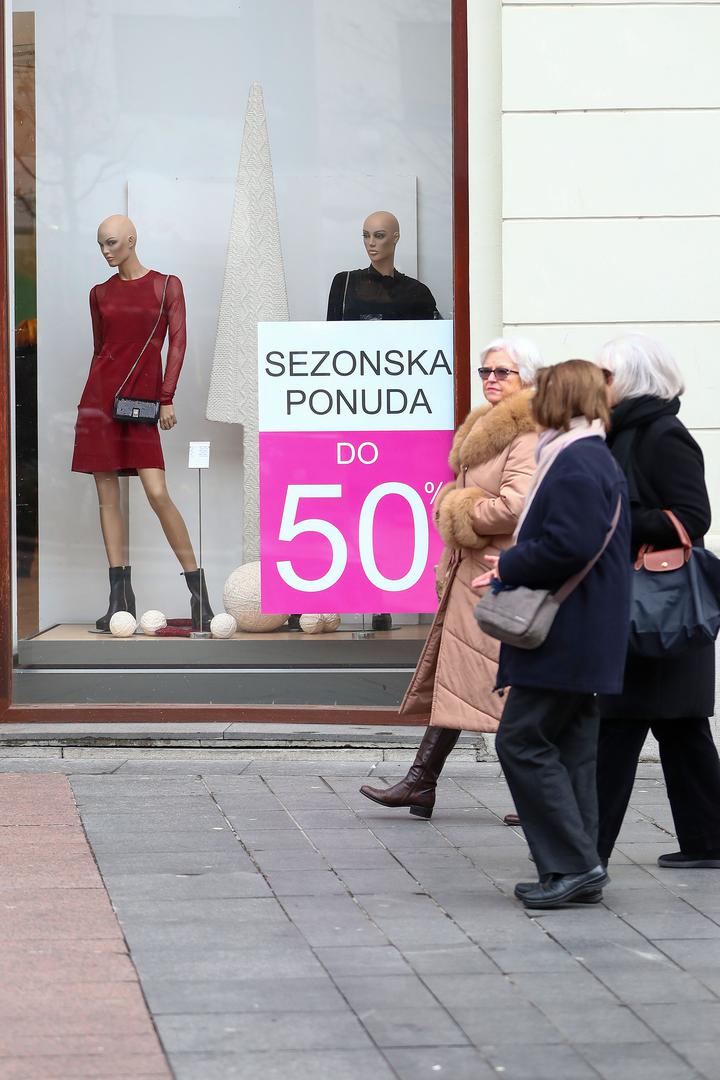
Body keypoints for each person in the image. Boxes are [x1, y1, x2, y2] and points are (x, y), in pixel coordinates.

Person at [359, 338, 541, 816]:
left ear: (527, 377)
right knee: (459, 679)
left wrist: (456, 508)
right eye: (485, 372)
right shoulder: (486, 427)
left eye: (502, 372)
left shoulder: (526, 434)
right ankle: (421, 782)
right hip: (471, 572)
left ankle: (541, 798)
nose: (491, 379)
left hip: (497, 576)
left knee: (506, 687)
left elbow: (516, 506)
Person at [482, 360, 631, 909]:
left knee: (520, 740)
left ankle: (574, 864)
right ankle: (580, 866)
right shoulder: (587, 456)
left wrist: (509, 564)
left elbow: (568, 545)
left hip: (565, 635)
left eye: (541, 392)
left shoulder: (575, 463)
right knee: (571, 749)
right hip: (583, 632)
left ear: (559, 398)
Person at [596, 334, 720, 869]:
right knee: (680, 727)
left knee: (618, 729)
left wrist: (619, 518)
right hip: (648, 610)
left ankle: (581, 856)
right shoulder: (619, 431)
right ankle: (708, 841)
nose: (598, 384)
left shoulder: (663, 435)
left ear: (633, 378)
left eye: (606, 374)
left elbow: (693, 517)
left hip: (658, 609)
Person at [71, 215, 214, 632]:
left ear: (132, 241)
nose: (106, 251)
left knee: (157, 492)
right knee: (107, 498)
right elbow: (101, 350)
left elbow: (178, 343)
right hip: (100, 402)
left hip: (142, 403)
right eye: (101, 244)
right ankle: (119, 600)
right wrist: (91, 407)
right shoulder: (99, 293)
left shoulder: (166, 285)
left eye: (112, 242)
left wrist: (166, 397)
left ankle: (199, 595)